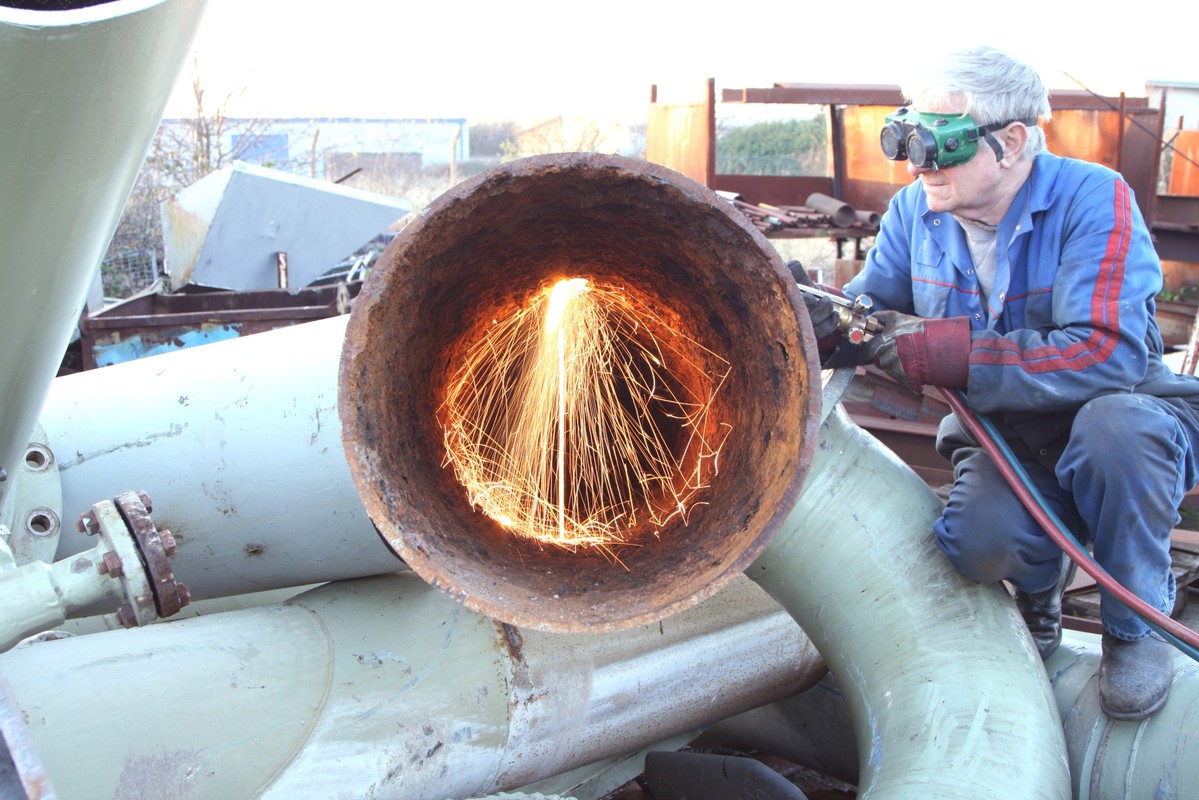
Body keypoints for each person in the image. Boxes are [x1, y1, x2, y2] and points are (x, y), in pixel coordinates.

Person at [804, 45, 1199, 720]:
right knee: (977, 538)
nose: (916, 163)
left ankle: (1135, 627)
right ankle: (1037, 598)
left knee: (1115, 435)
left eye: (937, 144)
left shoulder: (1091, 199)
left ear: (1010, 142)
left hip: (1124, 417)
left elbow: (1104, 354)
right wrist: (801, 311)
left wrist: (944, 353)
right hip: (1006, 437)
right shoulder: (913, 213)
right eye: (907, 137)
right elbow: (865, 317)